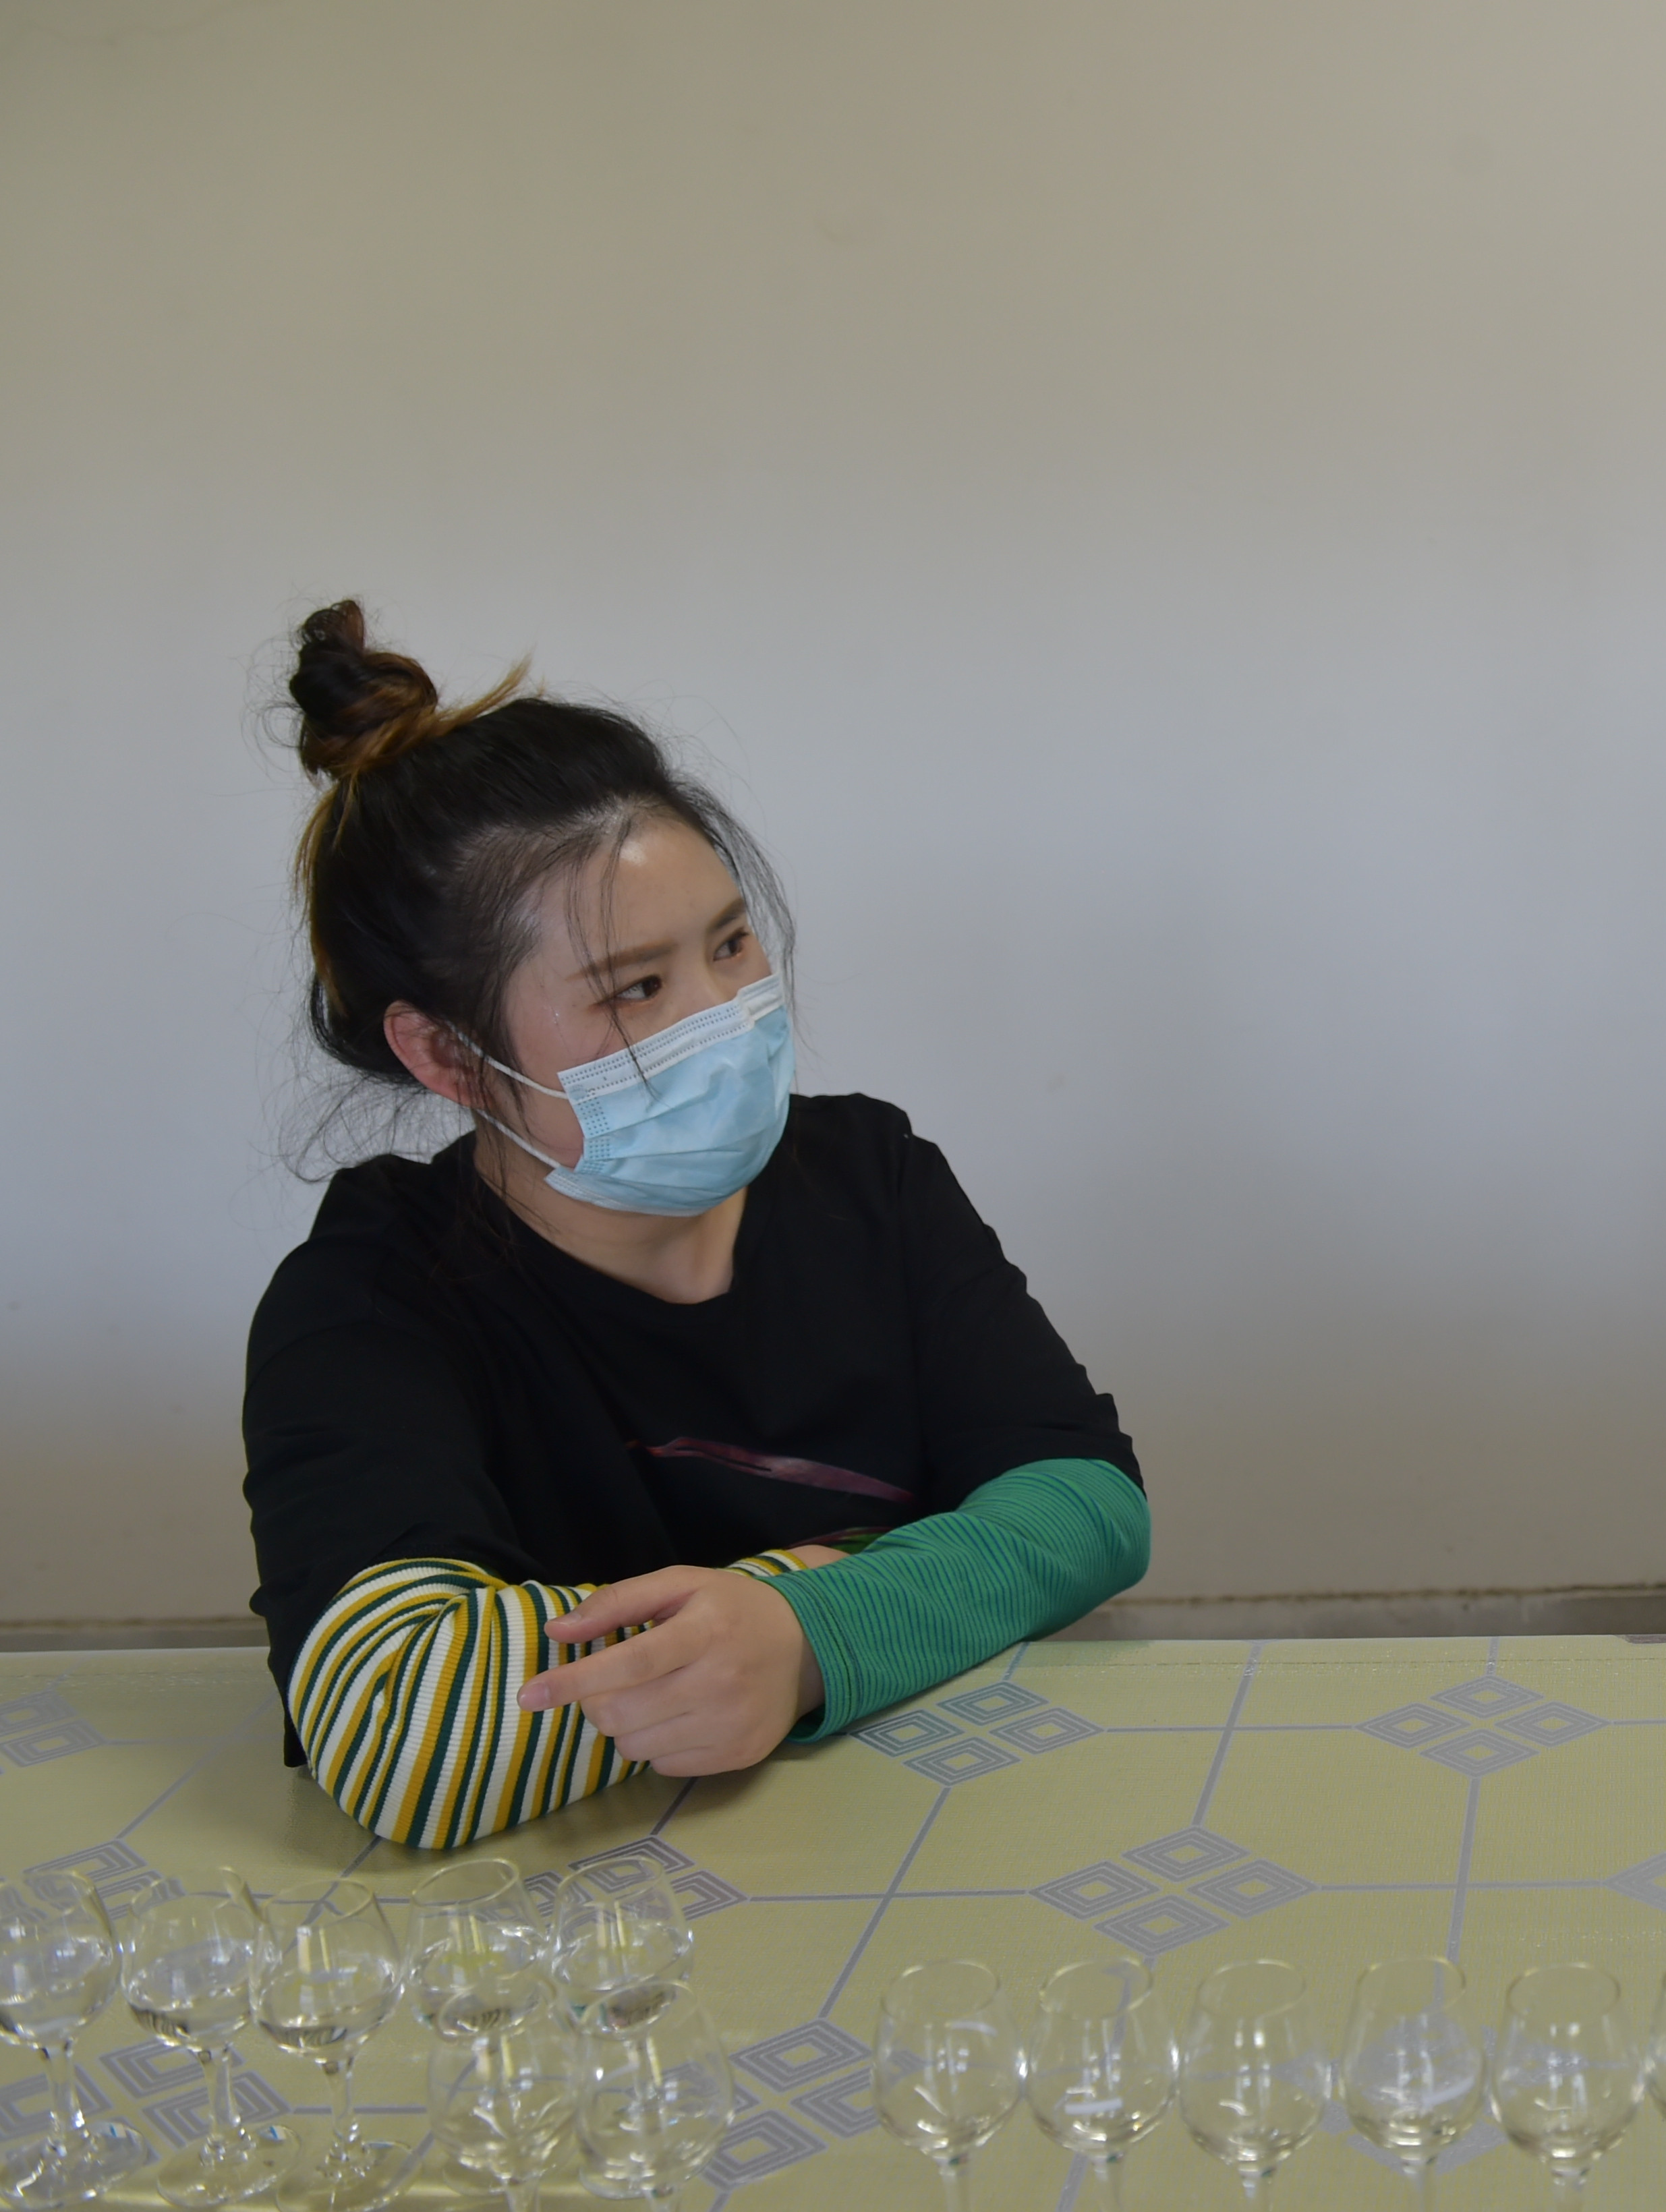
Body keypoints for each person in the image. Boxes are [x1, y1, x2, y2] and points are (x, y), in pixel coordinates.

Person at [243, 602, 1149, 1848]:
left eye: (730, 945)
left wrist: (804, 1637)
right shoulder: (373, 1293)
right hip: (581, 1925)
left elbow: (1087, 1506)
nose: (723, 1015)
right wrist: (858, 1585)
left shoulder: (869, 1175)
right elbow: (410, 1728)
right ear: (446, 1055)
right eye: (636, 989)